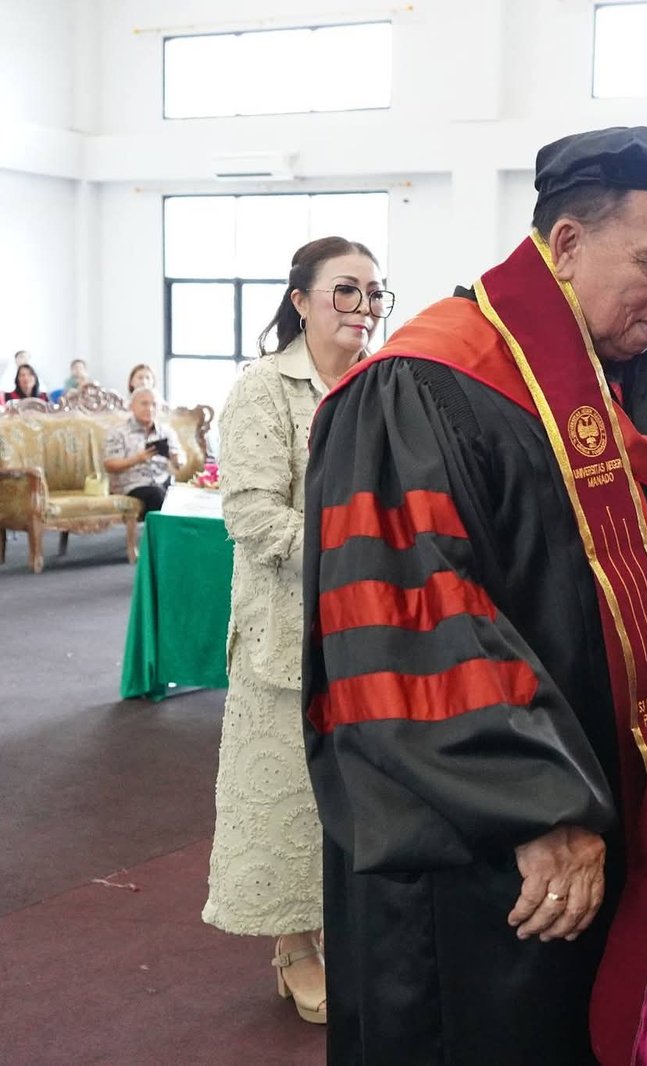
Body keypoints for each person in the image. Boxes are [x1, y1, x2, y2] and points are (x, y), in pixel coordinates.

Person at [301, 127, 647, 1064]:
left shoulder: (627, 378)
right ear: (567, 245)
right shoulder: (425, 384)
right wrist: (538, 808)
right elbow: (407, 623)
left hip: (620, 803)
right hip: (491, 847)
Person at [202, 236, 390, 1026]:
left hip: (376, 627)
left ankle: (347, 929)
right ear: (300, 300)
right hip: (289, 627)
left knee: (360, 791)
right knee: (288, 791)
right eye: (346, 290)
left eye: (373, 292)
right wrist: (354, 552)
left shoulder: (383, 385)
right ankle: (293, 947)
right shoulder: (264, 389)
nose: (363, 307)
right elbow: (250, 514)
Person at [102, 386, 184, 515]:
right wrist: (137, 459)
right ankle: (160, 529)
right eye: (144, 404)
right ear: (132, 406)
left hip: (163, 481)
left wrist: (176, 459)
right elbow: (110, 465)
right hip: (133, 484)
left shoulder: (166, 432)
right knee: (157, 496)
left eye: (154, 404)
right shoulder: (118, 432)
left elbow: (180, 461)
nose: (150, 408)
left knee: (184, 497)